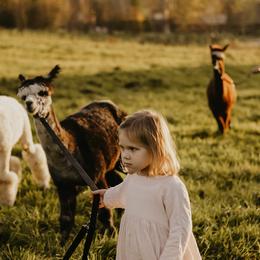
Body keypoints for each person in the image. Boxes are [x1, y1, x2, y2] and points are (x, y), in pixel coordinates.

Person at [93, 110, 201, 260]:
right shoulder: (133, 177)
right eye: (122, 148)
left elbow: (181, 228)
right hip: (134, 247)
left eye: (133, 149)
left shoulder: (171, 186)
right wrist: (106, 197)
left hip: (161, 250)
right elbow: (122, 194)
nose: (125, 155)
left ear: (155, 148)